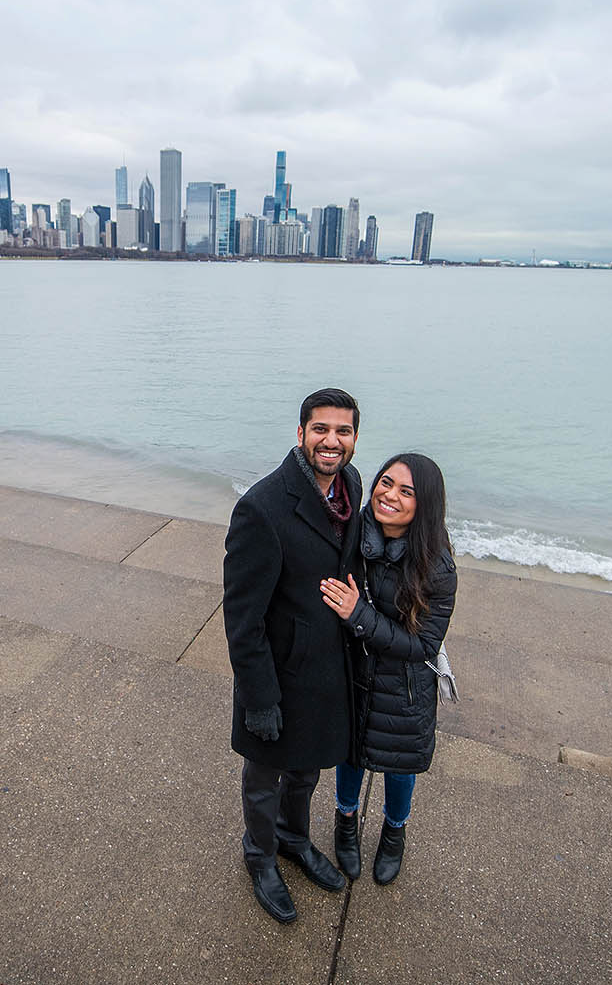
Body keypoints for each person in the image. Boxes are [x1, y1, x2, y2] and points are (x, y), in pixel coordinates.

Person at [223, 387, 363, 923]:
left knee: (308, 770)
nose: (332, 441)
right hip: (278, 672)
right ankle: (259, 855)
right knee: (265, 778)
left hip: (326, 669)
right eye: (321, 429)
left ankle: (293, 839)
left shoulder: (349, 485)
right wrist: (259, 697)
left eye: (343, 431)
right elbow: (242, 617)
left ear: (353, 438)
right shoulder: (261, 508)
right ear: (300, 433)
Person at [318, 452, 457, 886]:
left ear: (425, 505)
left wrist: (359, 615)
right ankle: (346, 820)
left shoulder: (437, 567)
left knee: (400, 765)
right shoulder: (353, 533)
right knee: (351, 750)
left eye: (406, 491)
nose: (389, 495)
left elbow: (423, 646)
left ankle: (394, 831)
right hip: (354, 671)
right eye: (385, 482)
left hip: (406, 687)